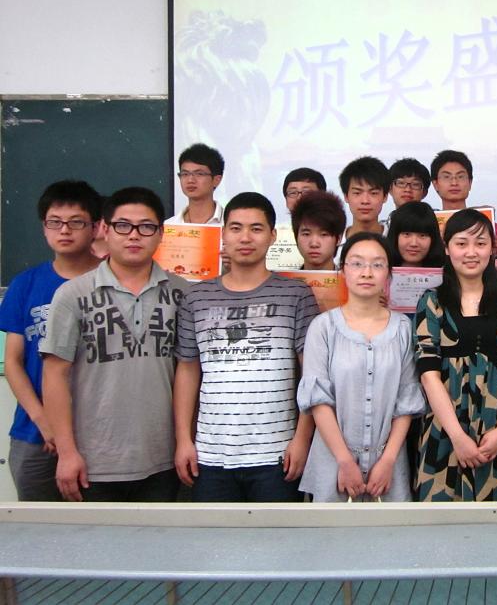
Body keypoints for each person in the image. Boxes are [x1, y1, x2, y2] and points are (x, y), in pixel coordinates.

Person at [41, 187, 187, 502]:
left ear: (161, 234)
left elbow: (190, 373)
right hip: (93, 461)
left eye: (146, 227)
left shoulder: (182, 293)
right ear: (105, 231)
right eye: (123, 226)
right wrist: (67, 453)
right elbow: (54, 375)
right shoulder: (72, 295)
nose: (134, 235)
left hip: (164, 458)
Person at [173, 192, 319, 502]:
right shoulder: (196, 297)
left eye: (256, 228)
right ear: (223, 234)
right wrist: (183, 440)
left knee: (278, 534)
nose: (245, 237)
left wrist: (302, 439)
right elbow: (187, 371)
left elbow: (312, 374)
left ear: (272, 236)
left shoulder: (296, 294)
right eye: (236, 228)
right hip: (210, 454)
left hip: (277, 454)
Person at [297, 233, 425, 502]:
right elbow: (318, 401)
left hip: (388, 468)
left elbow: (407, 401)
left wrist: (388, 460)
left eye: (377, 265)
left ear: (388, 274)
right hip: (333, 464)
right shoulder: (323, 327)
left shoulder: (403, 328)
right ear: (343, 271)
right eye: (357, 264)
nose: (367, 273)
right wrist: (344, 461)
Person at [414, 209, 497, 501]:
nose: (471, 252)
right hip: (445, 429)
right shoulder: (431, 302)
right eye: (461, 243)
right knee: (444, 520)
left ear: (492, 248)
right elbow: (428, 375)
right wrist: (457, 436)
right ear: (447, 248)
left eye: (480, 243)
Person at [1, 181, 102, 501]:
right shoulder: (25, 284)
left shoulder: (113, 281)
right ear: (44, 227)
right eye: (55, 222)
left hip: (100, 434)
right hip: (35, 434)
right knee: (39, 525)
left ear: (96, 227)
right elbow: (13, 362)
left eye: (76, 222)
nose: (65, 230)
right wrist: (44, 421)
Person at [430, 149, 497, 255]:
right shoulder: (428, 227)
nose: (454, 182)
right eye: (447, 177)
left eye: (460, 176)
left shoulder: (492, 227)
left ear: (470, 183)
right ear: (435, 184)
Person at [168, 143, 225, 224]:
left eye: (199, 174)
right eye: (185, 174)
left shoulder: (230, 223)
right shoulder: (169, 226)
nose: (190, 180)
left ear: (216, 180)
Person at [291, 191, 346, 271]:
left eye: (324, 234)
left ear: (339, 239)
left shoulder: (351, 279)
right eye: (306, 234)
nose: (314, 244)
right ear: (296, 236)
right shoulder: (284, 279)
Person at [340, 156, 390, 239]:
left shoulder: (397, 241)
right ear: (346, 196)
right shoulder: (333, 242)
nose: (365, 201)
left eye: (373, 193)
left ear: (385, 197)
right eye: (357, 193)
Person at [386, 201, 446, 268]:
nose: (414, 243)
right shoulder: (381, 271)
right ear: (395, 236)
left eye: (422, 235)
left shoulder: (446, 273)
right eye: (407, 234)